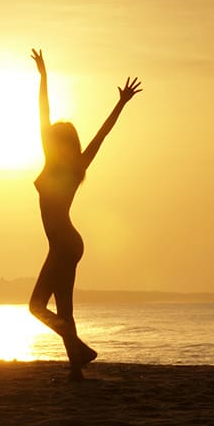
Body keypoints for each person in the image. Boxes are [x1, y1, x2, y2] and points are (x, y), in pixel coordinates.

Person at [28, 48, 142, 380]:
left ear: (58, 143)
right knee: (63, 307)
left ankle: (79, 349)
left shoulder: (59, 164)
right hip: (67, 243)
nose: (49, 137)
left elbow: (94, 132)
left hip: (64, 243)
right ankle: (77, 368)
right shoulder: (75, 165)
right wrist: (43, 76)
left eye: (54, 137)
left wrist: (45, 76)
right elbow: (49, 118)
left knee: (36, 306)